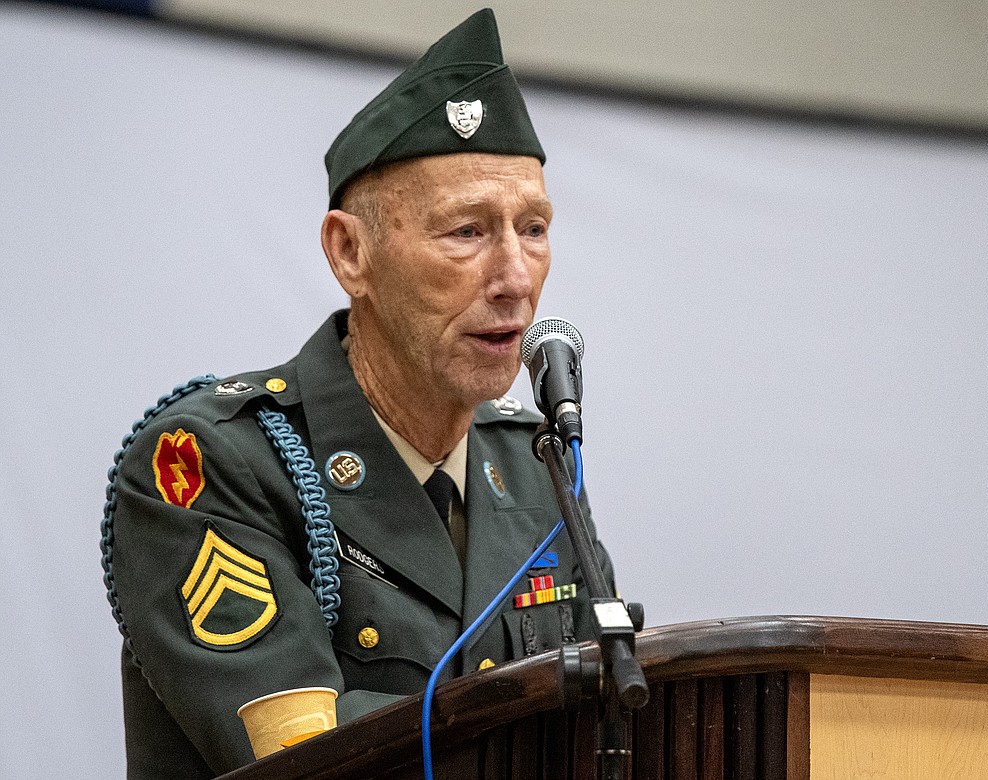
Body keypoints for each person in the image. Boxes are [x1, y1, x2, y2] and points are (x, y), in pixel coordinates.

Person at [101, 9, 613, 778]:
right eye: (467, 232)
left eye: (533, 228)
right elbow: (307, 754)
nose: (514, 279)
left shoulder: (538, 470)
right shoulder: (219, 463)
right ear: (350, 253)